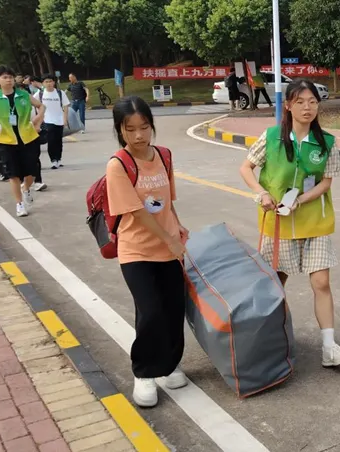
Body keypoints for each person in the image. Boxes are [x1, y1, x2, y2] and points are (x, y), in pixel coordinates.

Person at [239, 79, 340, 368]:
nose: (307, 107)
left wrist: (301, 200)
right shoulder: (271, 137)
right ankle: (272, 342)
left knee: (322, 282)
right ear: (288, 105)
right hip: (278, 224)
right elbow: (246, 168)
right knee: (275, 285)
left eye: (312, 102)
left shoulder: (327, 142)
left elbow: (326, 182)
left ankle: (329, 347)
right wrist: (261, 193)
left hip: (314, 221)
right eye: (300, 102)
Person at [105, 96, 189, 408]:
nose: (139, 135)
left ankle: (168, 365)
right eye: (130, 129)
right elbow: (137, 212)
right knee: (150, 311)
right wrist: (169, 239)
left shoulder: (164, 155)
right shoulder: (118, 165)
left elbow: (167, 202)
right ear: (120, 130)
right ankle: (144, 373)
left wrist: (177, 227)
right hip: (137, 251)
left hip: (170, 247)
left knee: (173, 310)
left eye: (144, 127)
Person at [0, 66, 45, 217]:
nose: (8, 80)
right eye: (5, 77)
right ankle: (19, 204)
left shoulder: (23, 94)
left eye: (11, 77)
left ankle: (26, 188)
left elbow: (41, 106)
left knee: (32, 170)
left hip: (28, 138)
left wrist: (38, 119)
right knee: (13, 174)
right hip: (7, 140)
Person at [37, 74, 70, 169]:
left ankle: (58, 159)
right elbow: (35, 104)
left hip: (59, 119)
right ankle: (53, 160)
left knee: (58, 141)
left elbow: (65, 106)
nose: (48, 84)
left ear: (54, 82)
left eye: (50, 81)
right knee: (51, 140)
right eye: (46, 82)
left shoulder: (60, 93)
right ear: (43, 83)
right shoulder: (40, 94)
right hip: (47, 120)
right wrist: (39, 117)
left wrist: (65, 119)